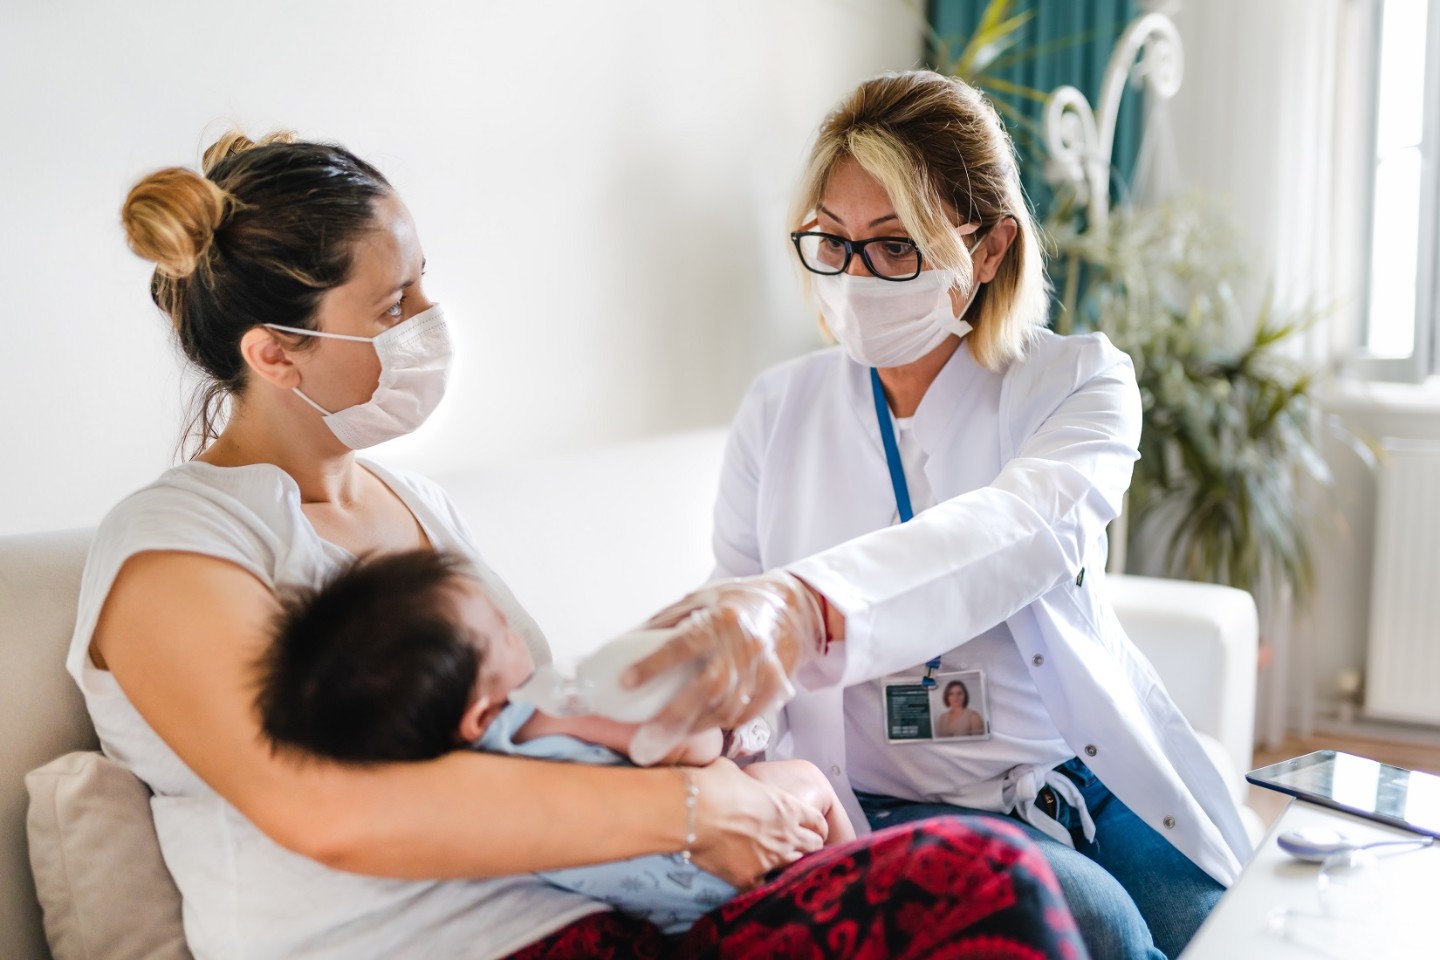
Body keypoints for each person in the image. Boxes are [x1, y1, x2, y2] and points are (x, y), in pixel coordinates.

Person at [70, 127, 1089, 958]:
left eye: (424, 283)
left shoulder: (418, 507)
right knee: (983, 885)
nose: (431, 320)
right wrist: (696, 810)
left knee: (998, 888)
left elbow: (525, 724)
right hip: (435, 943)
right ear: (274, 354)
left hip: (604, 911)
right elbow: (323, 807)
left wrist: (687, 714)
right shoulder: (173, 544)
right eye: (393, 305)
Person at [624, 70, 1255, 960]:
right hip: (890, 798)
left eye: (895, 247)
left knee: (1232, 925)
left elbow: (1018, 529)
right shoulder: (780, 408)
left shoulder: (1078, 383)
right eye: (831, 242)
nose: (854, 279)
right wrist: (727, 715)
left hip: (1072, 772)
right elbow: (742, 607)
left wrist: (805, 603)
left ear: (989, 249)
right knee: (1102, 926)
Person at [255, 548, 856, 935]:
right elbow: (687, 745)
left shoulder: (467, 783)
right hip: (711, 865)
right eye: (498, 629)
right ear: (482, 710)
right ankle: (848, 873)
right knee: (806, 779)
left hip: (657, 910)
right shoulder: (543, 711)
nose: (514, 630)